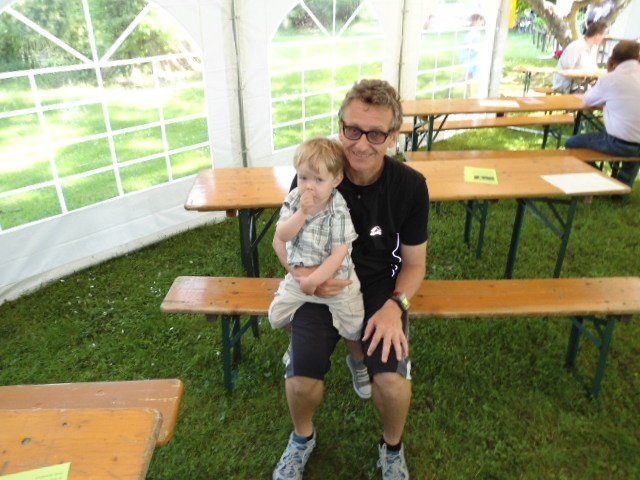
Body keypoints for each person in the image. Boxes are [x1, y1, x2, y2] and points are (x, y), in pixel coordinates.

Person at [272, 79, 429, 480]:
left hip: (379, 289)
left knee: (391, 384)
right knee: (301, 381)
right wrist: (303, 277)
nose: (361, 144)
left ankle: (392, 448)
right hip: (319, 286)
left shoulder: (410, 186)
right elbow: (285, 240)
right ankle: (302, 438)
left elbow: (415, 264)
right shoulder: (315, 172)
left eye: (375, 134)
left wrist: (396, 306)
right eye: (352, 130)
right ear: (340, 125)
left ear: (393, 137)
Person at [268, 137, 371, 400]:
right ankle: (295, 341)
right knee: (276, 315)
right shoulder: (295, 199)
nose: (308, 186)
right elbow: (282, 235)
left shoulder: (338, 208)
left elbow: (339, 254)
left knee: (354, 325)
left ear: (336, 180)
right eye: (303, 178)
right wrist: (302, 213)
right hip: (300, 277)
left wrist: (314, 281)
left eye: (318, 180)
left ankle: (358, 360)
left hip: (337, 280)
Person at [565, 40, 640, 195]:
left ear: (613, 59)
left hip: (618, 143)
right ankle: (622, 188)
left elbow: (587, 100)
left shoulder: (611, 79)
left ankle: (601, 180)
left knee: (572, 142)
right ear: (638, 58)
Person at [553, 21, 607, 93]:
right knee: (596, 95)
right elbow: (567, 69)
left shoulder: (593, 48)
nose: (604, 38)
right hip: (567, 86)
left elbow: (594, 69)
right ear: (597, 35)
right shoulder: (576, 46)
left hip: (582, 85)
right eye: (604, 35)